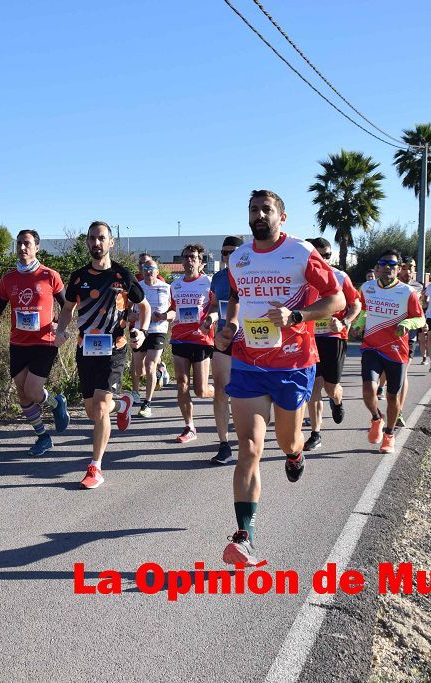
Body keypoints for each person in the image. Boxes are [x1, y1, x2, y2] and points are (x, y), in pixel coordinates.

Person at [215, 190, 344, 566]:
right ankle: (244, 537)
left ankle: (295, 454)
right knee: (249, 447)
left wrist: (298, 316)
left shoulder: (302, 253)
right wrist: (229, 326)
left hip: (292, 363)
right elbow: (236, 299)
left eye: (265, 210)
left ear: (281, 217)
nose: (258, 215)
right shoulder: (239, 258)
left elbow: (335, 300)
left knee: (287, 440)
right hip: (249, 362)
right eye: (252, 209)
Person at [55, 221, 148, 490]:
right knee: (92, 411)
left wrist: (140, 331)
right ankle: (124, 406)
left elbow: (144, 306)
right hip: (86, 349)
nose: (97, 243)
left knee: (98, 407)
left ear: (111, 242)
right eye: (92, 238)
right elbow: (68, 308)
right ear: (87, 242)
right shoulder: (78, 277)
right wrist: (61, 330)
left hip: (115, 348)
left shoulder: (123, 275)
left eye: (101, 238)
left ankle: (95, 466)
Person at [0, 229, 69, 456]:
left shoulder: (49, 276)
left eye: (27, 244)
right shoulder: (8, 279)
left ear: (37, 247)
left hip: (44, 342)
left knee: (33, 391)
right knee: (22, 393)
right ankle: (43, 437)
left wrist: (60, 327)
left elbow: (67, 305)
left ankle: (56, 403)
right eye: (19, 244)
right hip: (18, 343)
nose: (22, 248)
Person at [359, 249, 425, 455]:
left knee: (392, 397)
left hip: (396, 351)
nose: (388, 268)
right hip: (371, 346)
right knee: (369, 390)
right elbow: (362, 311)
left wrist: (407, 322)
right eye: (384, 264)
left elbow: (420, 318)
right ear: (378, 267)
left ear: (398, 269)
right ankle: (377, 418)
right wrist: (358, 323)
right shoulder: (367, 287)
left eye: (393, 265)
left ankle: (389, 434)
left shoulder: (407, 292)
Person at [302, 238, 361, 451]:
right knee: (314, 387)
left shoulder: (339, 276)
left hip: (334, 337)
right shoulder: (300, 276)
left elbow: (356, 305)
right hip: (309, 337)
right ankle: (316, 433)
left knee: (330, 388)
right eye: (319, 255)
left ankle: (337, 401)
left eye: (327, 255)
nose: (324, 259)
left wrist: (344, 321)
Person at [203, 235, 244, 464]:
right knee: (220, 389)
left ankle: (249, 434)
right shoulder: (218, 278)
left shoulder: (252, 275)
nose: (227, 257)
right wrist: (209, 319)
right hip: (223, 340)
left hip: (250, 341)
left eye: (232, 252)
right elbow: (214, 306)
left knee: (248, 393)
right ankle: (224, 443)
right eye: (224, 253)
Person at [169, 243, 215, 443]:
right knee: (182, 383)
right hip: (180, 337)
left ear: (200, 262)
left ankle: (224, 392)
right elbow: (173, 309)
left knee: (201, 390)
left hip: (201, 339)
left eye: (193, 257)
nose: (188, 260)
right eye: (186, 256)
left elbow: (214, 308)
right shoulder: (175, 285)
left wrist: (211, 319)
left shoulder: (208, 282)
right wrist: (164, 315)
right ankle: (190, 426)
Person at [131, 257, 172, 417]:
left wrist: (163, 316)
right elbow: (126, 309)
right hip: (140, 330)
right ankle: (159, 373)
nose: (148, 272)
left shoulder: (167, 288)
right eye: (145, 269)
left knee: (150, 365)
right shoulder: (136, 287)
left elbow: (174, 312)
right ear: (141, 271)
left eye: (151, 269)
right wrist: (131, 315)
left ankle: (147, 403)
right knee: (138, 368)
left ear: (157, 272)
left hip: (158, 330)